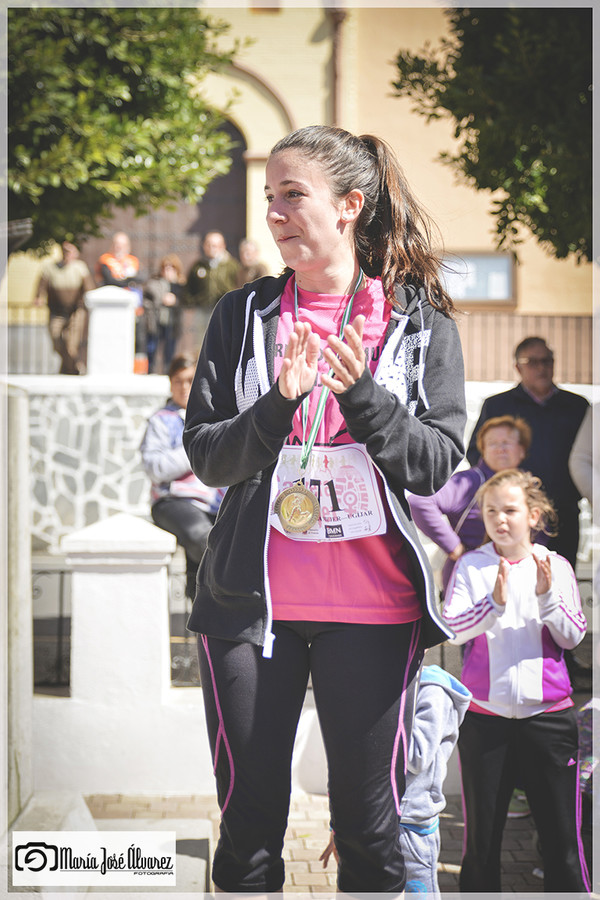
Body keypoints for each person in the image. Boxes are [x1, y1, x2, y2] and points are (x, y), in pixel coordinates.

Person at [182, 124, 467, 894]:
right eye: (269, 196)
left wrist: (362, 397)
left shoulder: (419, 321)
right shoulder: (241, 317)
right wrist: (277, 403)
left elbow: (437, 460)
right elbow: (208, 454)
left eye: (291, 196)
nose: (273, 212)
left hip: (373, 609)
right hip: (248, 608)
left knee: (369, 830)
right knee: (247, 829)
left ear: (348, 205)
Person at [442, 468, 590, 894]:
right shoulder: (471, 565)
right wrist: (493, 603)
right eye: (491, 511)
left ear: (534, 515)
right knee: (481, 842)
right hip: (486, 722)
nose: (500, 520)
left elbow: (573, 634)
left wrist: (546, 597)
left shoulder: (556, 565)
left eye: (510, 510)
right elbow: (452, 629)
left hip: (549, 721)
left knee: (563, 838)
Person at [466, 336, 590, 687]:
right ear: (517, 366)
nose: (542, 368)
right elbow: (476, 454)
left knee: (559, 580)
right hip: (511, 515)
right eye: (533, 361)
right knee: (508, 581)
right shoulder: (498, 405)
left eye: (547, 360)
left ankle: (561, 658)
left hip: (561, 511)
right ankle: (506, 658)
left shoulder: (576, 406)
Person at [320, 663, 472, 898]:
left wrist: (373, 719)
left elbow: (417, 756)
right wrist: (337, 826)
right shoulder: (377, 681)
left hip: (411, 825)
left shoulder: (434, 689)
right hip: (369, 820)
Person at [409, 415, 531, 595]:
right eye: (492, 443)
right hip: (471, 583)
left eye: (506, 442)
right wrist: (454, 547)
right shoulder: (470, 481)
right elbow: (420, 501)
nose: (500, 449)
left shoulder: (528, 485)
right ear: (482, 450)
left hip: (518, 582)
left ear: (522, 450)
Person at [140, 354, 223, 599]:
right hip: (174, 501)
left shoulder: (216, 416)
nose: (185, 387)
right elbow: (155, 467)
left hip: (214, 501)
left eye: (190, 380)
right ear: (170, 383)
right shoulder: (161, 421)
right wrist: (198, 444)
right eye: (178, 381)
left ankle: (202, 608)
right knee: (203, 538)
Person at [33, 241, 95, 374]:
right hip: (56, 311)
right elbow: (41, 284)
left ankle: (69, 368)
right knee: (56, 339)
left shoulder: (80, 268)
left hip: (75, 311)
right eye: (65, 251)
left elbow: (88, 287)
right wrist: (38, 297)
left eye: (70, 251)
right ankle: (74, 365)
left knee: (71, 343)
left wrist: (87, 301)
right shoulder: (50, 268)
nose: (67, 254)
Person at [96, 231, 145, 357]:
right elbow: (110, 281)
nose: (119, 248)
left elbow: (140, 278)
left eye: (122, 245)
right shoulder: (106, 260)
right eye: (117, 244)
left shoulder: (132, 261)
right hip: (111, 307)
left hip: (131, 307)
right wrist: (128, 280)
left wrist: (124, 281)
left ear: (128, 247)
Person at [143, 254, 185, 373]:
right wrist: (161, 299)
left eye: (171, 268)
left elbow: (185, 301)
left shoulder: (180, 285)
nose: (168, 271)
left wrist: (175, 300)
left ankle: (168, 372)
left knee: (169, 350)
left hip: (172, 322)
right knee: (152, 348)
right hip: (155, 321)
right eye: (165, 267)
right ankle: (150, 371)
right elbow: (147, 299)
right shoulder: (154, 283)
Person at [184, 230, 240, 309]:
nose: (211, 248)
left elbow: (238, 286)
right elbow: (188, 289)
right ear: (204, 246)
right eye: (208, 245)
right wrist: (193, 303)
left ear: (222, 246)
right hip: (202, 311)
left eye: (214, 246)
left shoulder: (232, 266)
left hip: (225, 309)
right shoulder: (197, 266)